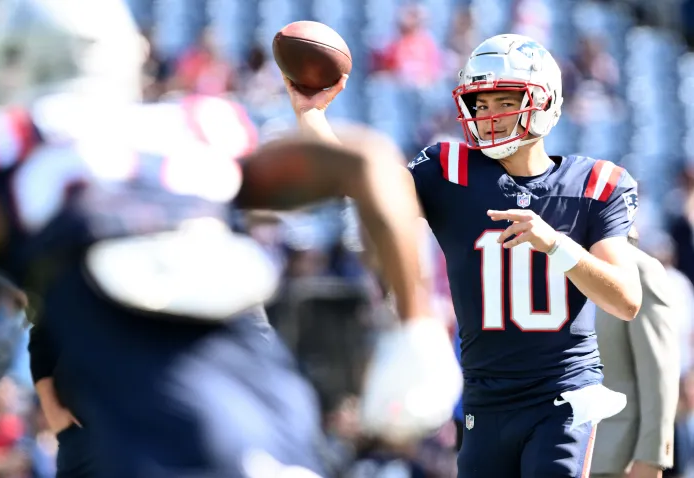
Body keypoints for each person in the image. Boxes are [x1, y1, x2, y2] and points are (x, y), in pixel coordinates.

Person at [0, 0, 462, 476]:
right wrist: (420, 327)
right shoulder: (189, 130)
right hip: (280, 425)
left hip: (158, 443)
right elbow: (368, 160)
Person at [290, 33, 642, 477]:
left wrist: (556, 244)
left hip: (563, 393)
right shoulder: (449, 172)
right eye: (482, 104)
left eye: (504, 100)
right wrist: (312, 116)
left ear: (546, 100)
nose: (490, 116)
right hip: (484, 398)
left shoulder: (596, 184)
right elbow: (366, 186)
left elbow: (626, 300)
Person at [592, 228, 679, 478]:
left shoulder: (640, 270)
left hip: (616, 460)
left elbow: (659, 372)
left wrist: (652, 458)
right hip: (554, 453)